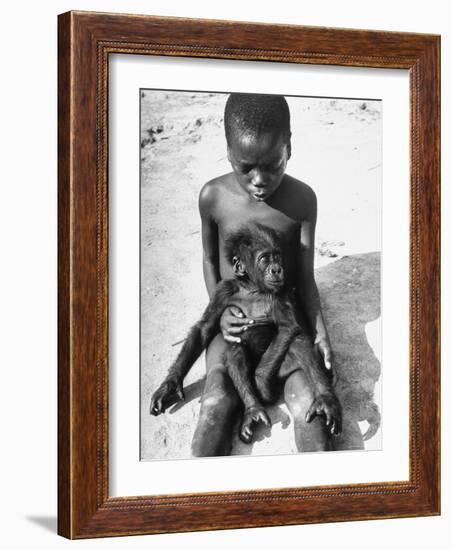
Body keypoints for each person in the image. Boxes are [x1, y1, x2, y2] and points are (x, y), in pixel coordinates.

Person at [191, 93, 337, 456]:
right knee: (216, 402)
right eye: (246, 167)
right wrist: (222, 311)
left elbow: (304, 278)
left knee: (310, 405)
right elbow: (211, 262)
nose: (260, 179)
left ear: (289, 147)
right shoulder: (213, 197)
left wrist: (320, 334)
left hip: (283, 326)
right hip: (236, 327)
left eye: (273, 164)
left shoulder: (302, 200)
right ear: (228, 152)